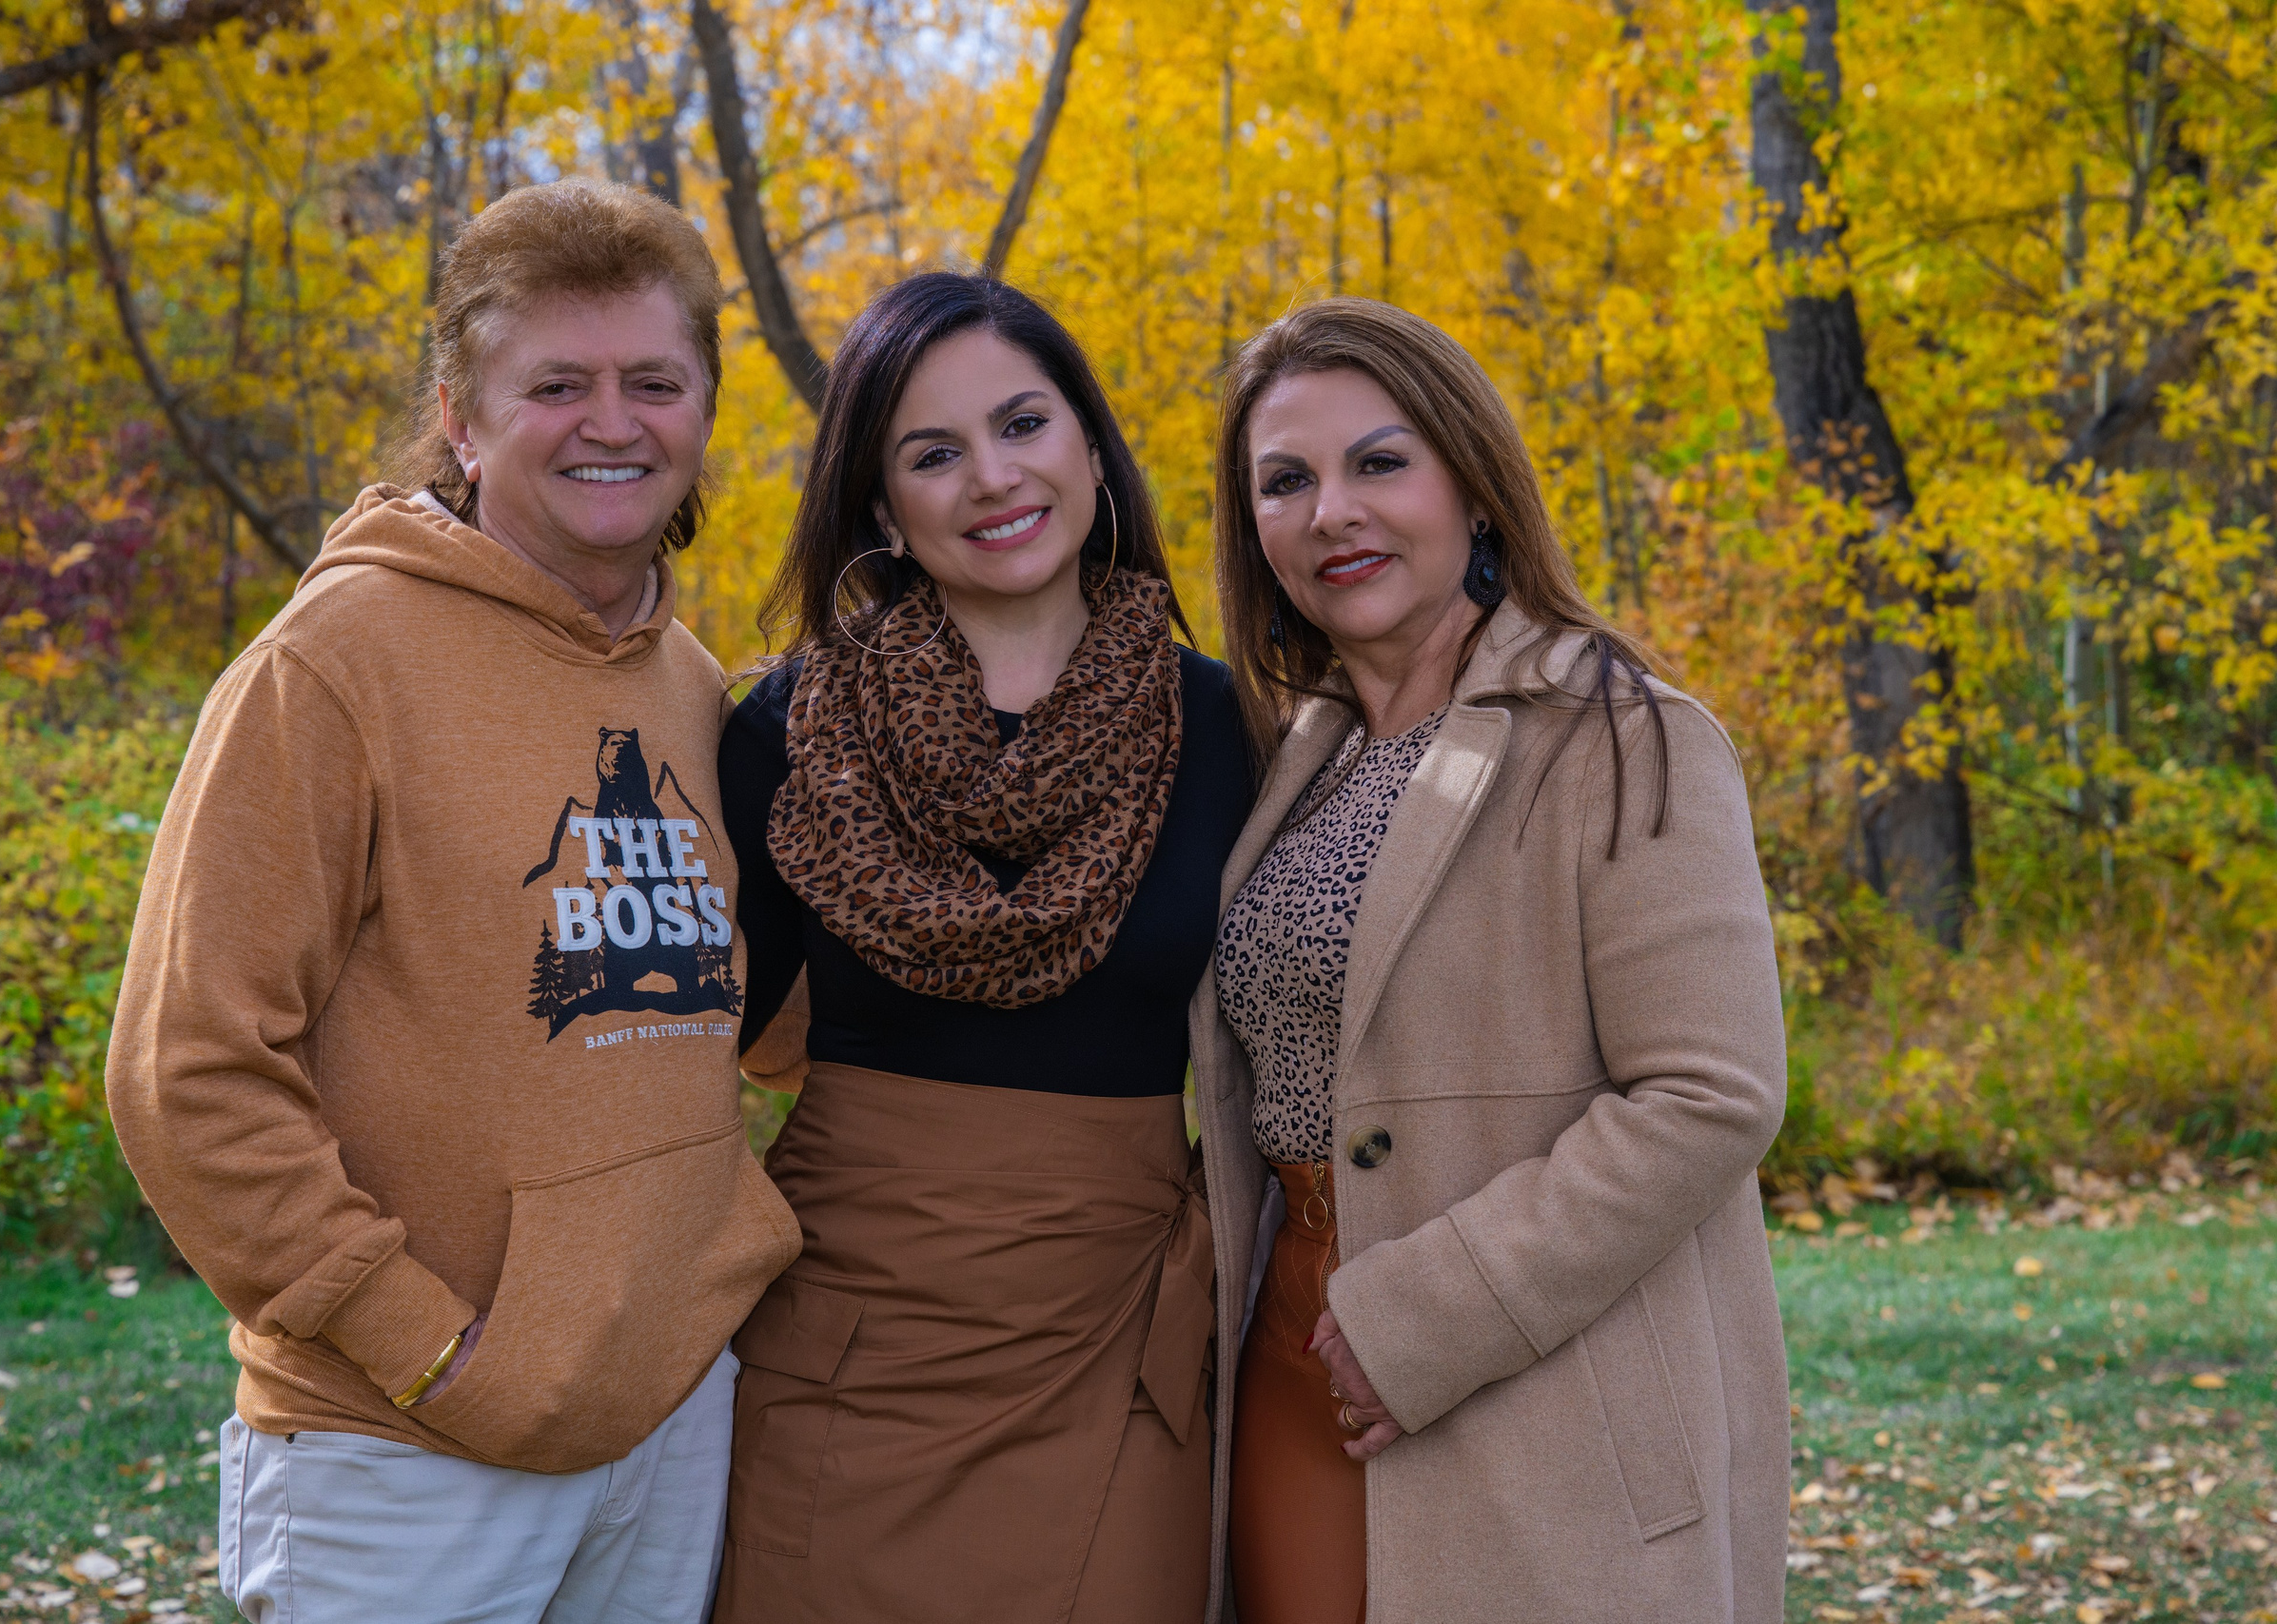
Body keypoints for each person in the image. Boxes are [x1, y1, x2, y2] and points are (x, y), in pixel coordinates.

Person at [104, 178, 799, 1624]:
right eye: (557, 384)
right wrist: (422, 1343)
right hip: (404, 1452)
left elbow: (737, 1020)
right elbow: (187, 1075)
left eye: (654, 382)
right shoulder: (335, 664)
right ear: (463, 419)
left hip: (666, 1423)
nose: (614, 423)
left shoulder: (688, 686)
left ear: (703, 413)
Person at [1194, 298, 1791, 1624]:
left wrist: (1428, 1315)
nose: (1331, 509)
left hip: (1529, 1365)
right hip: (1289, 1351)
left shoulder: (1624, 731)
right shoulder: (1297, 760)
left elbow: (1712, 1094)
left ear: (1471, 483)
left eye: (1380, 462)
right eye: (1285, 482)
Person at [713, 272, 1255, 1624]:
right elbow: (669, 1043)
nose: (992, 479)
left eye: (1023, 425)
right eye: (933, 453)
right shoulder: (786, 731)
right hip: (850, 1343)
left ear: (1088, 445)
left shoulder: (1233, 732)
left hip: (1113, 1338)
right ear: (883, 507)